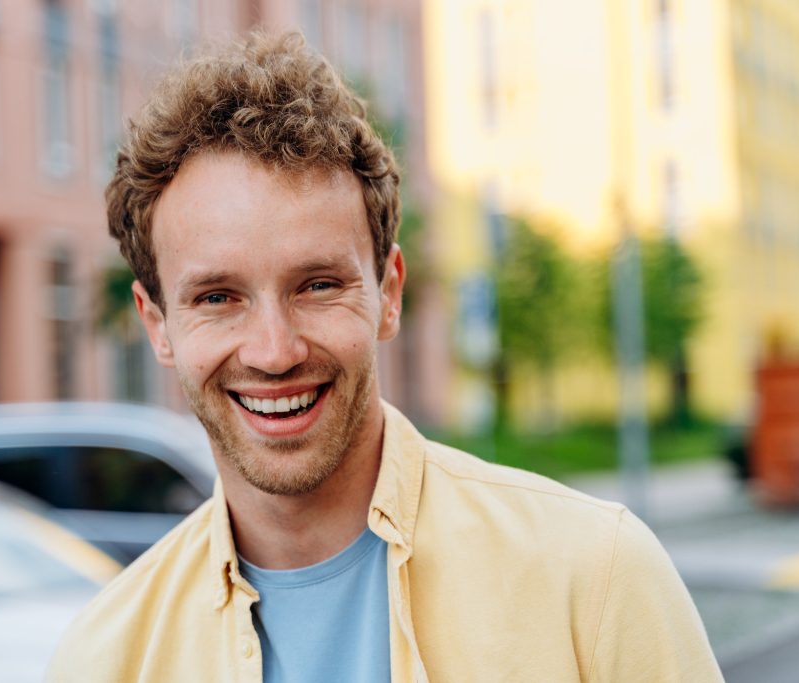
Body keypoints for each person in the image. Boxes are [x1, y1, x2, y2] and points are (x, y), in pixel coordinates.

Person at [47, 32, 723, 682]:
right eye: (218, 297)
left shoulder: (594, 578)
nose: (275, 351)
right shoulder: (106, 659)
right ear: (157, 324)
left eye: (317, 285)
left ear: (389, 292)